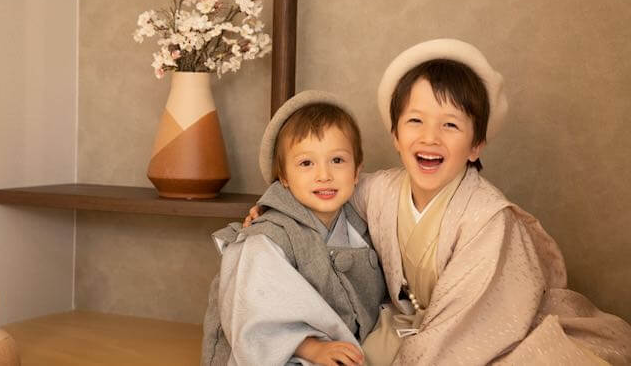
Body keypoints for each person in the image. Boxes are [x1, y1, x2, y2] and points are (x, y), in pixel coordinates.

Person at [247, 39, 631, 365]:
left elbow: (468, 326)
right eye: (415, 121)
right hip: (410, 325)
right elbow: (327, 189)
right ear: (395, 135)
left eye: (450, 124)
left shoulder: (486, 219)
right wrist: (276, 208)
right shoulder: (380, 190)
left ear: (475, 145)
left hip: (492, 328)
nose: (430, 137)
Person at [201, 91, 387, 366]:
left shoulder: (361, 222)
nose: (324, 175)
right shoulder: (267, 238)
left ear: (357, 171)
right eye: (306, 163)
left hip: (350, 346)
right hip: (284, 354)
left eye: (337, 160)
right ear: (284, 177)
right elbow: (253, 314)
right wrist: (313, 349)